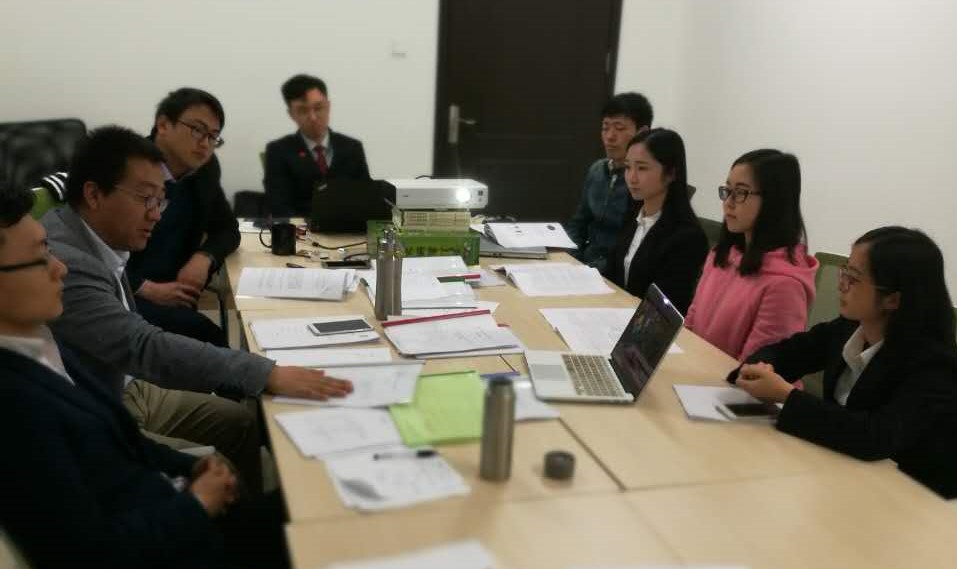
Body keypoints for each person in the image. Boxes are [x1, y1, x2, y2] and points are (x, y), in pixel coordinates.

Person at [42, 126, 352, 490]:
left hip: (128, 383)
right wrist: (265, 373)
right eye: (145, 199)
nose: (156, 215)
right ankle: (232, 512)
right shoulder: (66, 263)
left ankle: (247, 509)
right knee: (219, 467)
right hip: (106, 406)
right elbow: (143, 346)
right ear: (94, 194)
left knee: (242, 421)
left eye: (160, 200)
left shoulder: (95, 232)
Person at [0, 183, 289, 568]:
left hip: (168, 510)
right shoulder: (16, 408)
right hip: (174, 543)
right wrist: (198, 504)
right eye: (40, 258)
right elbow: (87, 555)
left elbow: (120, 439)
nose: (60, 268)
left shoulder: (38, 339)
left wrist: (188, 466)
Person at [729, 227, 957, 498]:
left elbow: (874, 437)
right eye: (845, 270)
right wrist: (760, 368)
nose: (841, 284)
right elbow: (787, 352)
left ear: (893, 299)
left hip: (907, 500)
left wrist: (786, 396)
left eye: (854, 278)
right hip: (838, 476)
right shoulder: (849, 327)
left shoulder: (934, 365)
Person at [124, 87, 239, 347]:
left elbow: (227, 229)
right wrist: (146, 288)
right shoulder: (125, 168)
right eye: (197, 130)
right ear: (163, 125)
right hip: (124, 294)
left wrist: (204, 257)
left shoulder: (204, 168)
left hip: (175, 293)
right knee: (208, 339)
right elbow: (92, 252)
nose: (205, 144)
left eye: (213, 136)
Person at [684, 149, 818, 360]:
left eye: (740, 192)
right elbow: (691, 323)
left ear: (774, 200)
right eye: (727, 190)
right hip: (693, 370)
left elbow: (755, 370)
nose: (728, 202)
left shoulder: (785, 285)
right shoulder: (722, 255)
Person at [606, 129, 708, 313]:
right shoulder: (633, 217)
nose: (632, 177)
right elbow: (611, 275)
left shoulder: (687, 237)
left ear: (671, 173)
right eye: (628, 167)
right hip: (613, 313)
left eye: (642, 168)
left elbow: (664, 308)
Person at [565, 92, 653, 274]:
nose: (610, 136)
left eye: (619, 128)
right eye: (605, 128)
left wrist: (592, 271)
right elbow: (578, 223)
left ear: (642, 133)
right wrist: (571, 259)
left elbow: (634, 244)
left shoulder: (644, 182)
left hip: (616, 272)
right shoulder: (597, 170)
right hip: (584, 265)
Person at [264, 74, 371, 216]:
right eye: (303, 110)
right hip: (300, 227)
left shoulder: (352, 148)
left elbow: (366, 198)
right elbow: (279, 206)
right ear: (291, 114)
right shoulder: (278, 151)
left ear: (328, 106)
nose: (313, 117)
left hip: (348, 226)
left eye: (318, 108)